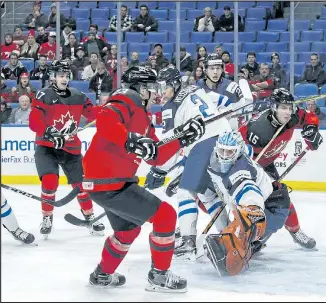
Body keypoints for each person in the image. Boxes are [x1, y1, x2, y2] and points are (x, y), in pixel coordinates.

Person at [82, 65, 206, 291]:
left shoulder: (143, 117)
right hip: (111, 182)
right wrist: (130, 140)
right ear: (140, 88)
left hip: (107, 183)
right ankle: (159, 277)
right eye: (150, 87)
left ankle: (102, 274)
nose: (155, 92)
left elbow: (156, 156)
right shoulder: (126, 99)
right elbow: (105, 120)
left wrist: (183, 137)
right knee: (166, 216)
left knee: (128, 230)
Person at [143, 66, 250, 258]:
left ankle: (187, 240)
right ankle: (230, 232)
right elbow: (224, 103)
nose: (160, 93)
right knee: (208, 195)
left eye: (163, 87)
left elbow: (171, 142)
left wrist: (159, 170)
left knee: (185, 192)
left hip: (203, 145)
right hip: (225, 140)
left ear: (174, 84)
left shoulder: (171, 107)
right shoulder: (197, 89)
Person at [178, 131, 272, 276]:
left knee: (249, 231)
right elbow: (210, 197)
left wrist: (252, 211)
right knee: (234, 224)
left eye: (229, 152)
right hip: (240, 201)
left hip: (270, 203)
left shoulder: (240, 169)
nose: (224, 156)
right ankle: (237, 239)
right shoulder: (213, 162)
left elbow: (249, 192)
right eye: (221, 150)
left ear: (238, 152)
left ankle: (247, 247)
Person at [28, 60, 104, 239]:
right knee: (49, 181)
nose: (64, 78)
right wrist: (48, 131)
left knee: (81, 186)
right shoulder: (43, 95)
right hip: (47, 147)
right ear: (53, 77)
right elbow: (34, 121)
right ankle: (47, 218)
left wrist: (111, 109)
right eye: (61, 75)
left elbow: (93, 113)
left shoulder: (77, 95)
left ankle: (90, 217)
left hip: (70, 147)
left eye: (66, 75)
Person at [239, 88, 322, 252]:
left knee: (281, 200)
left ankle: (295, 231)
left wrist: (311, 131)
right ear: (273, 107)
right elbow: (242, 156)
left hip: (267, 164)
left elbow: (310, 118)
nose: (288, 111)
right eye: (283, 107)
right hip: (249, 167)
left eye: (289, 107)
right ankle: (250, 236)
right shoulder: (260, 130)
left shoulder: (292, 115)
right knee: (256, 203)